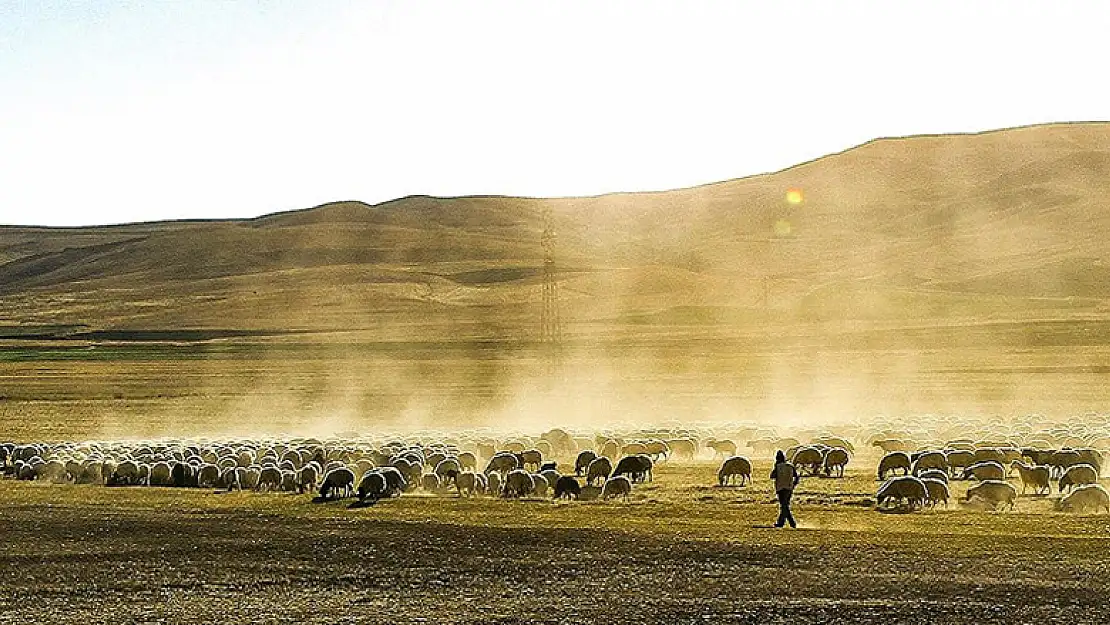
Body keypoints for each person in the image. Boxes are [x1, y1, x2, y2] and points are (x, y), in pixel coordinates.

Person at [769, 450, 799, 528]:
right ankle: (792, 523)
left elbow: (772, 476)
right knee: (785, 505)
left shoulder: (778, 466)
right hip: (789, 487)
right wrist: (794, 484)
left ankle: (781, 523)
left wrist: (776, 468)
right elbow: (796, 476)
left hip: (780, 488)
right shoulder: (790, 465)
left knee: (784, 505)